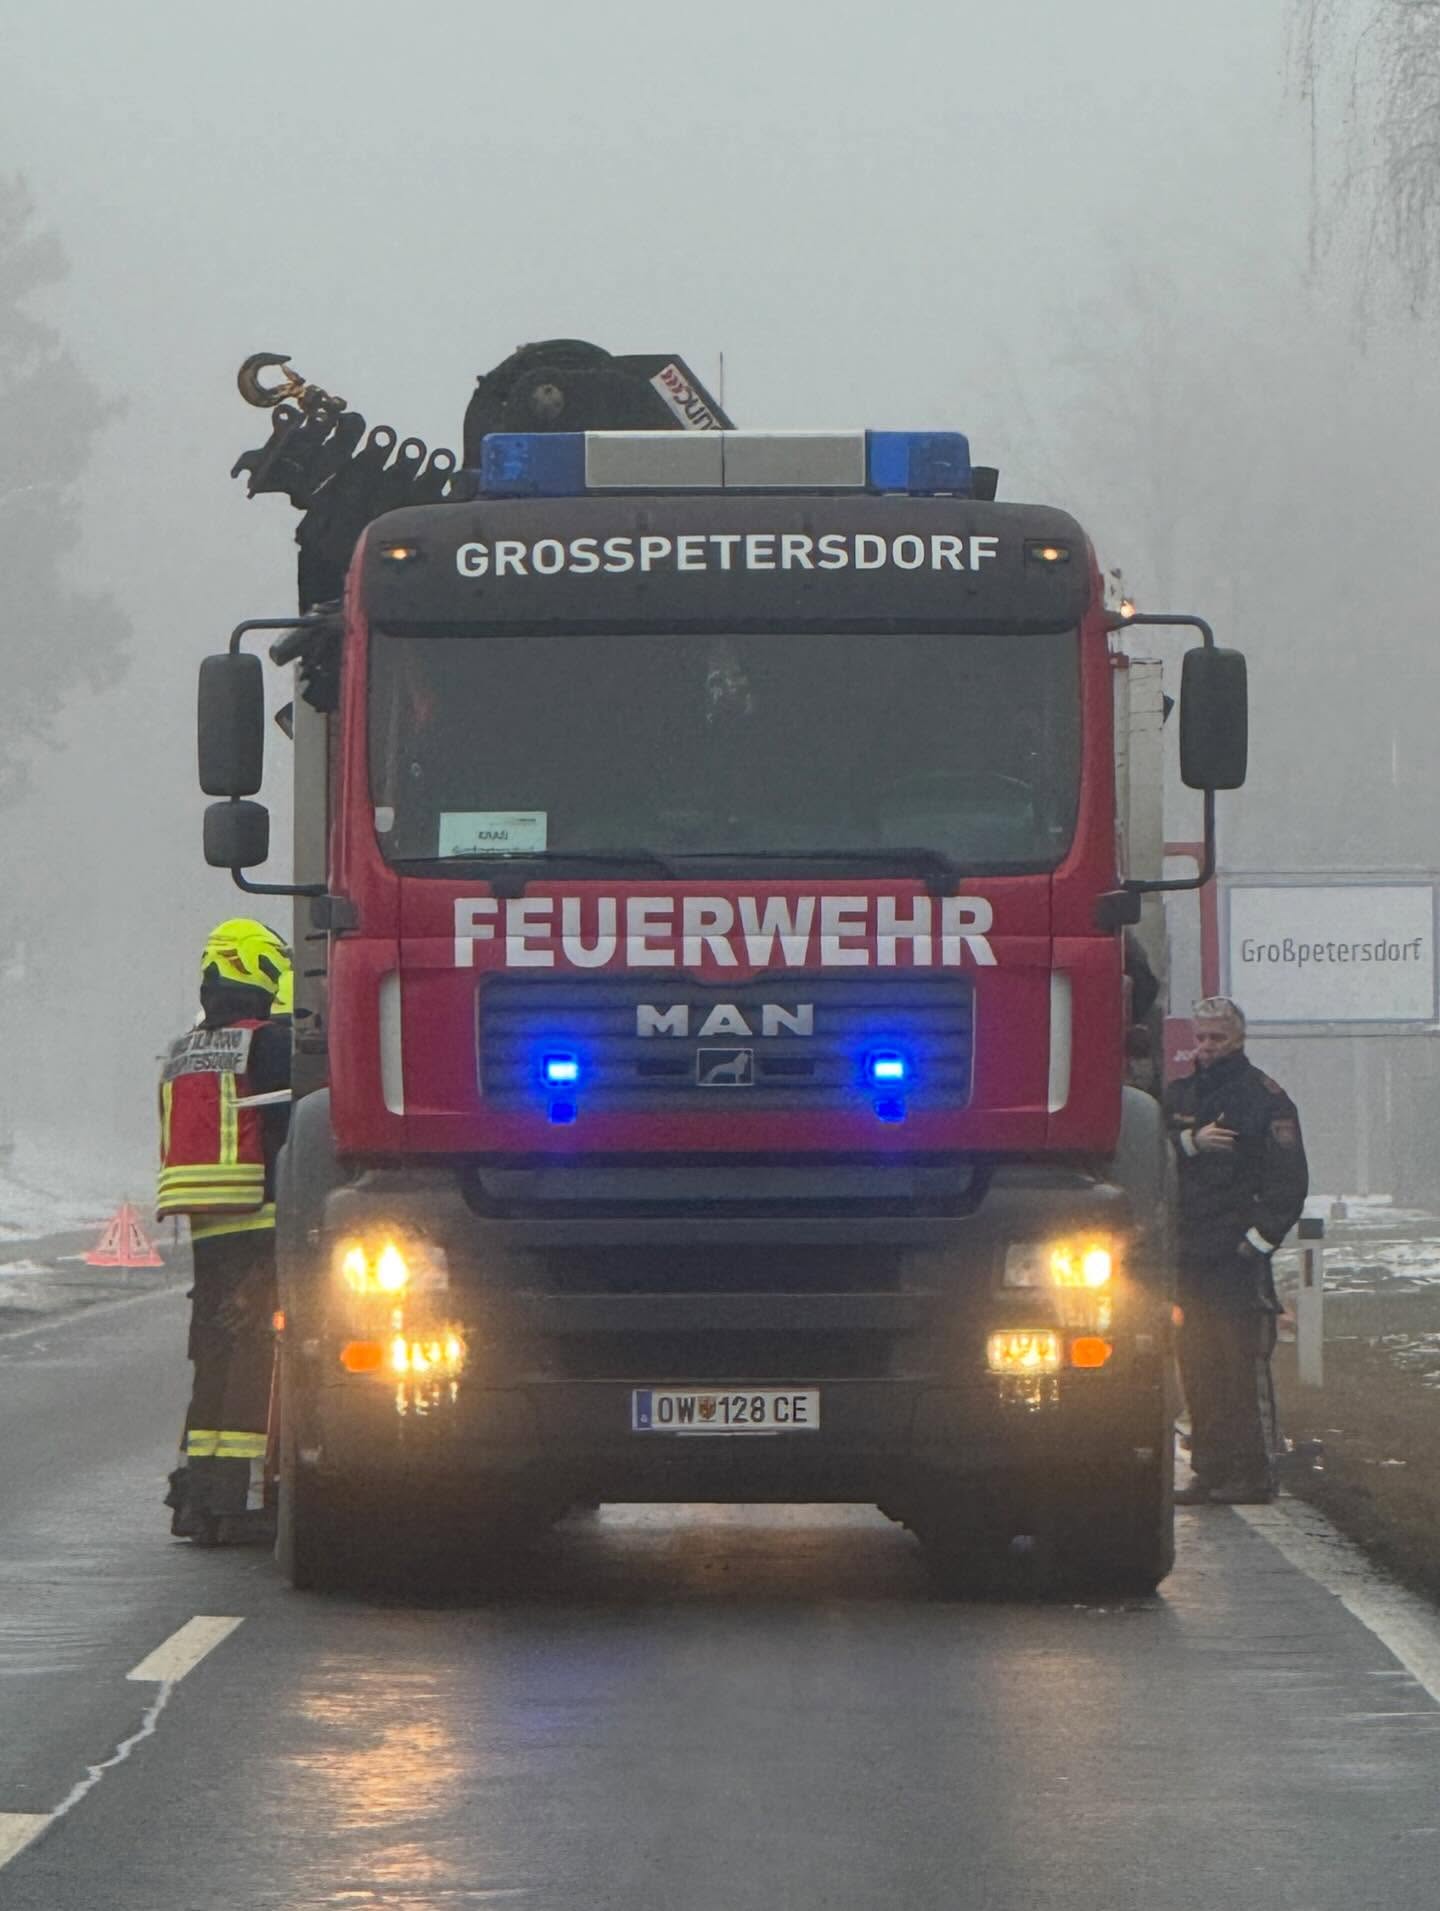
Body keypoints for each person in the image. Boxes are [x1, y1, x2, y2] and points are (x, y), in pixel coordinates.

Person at [158, 918, 292, 1543]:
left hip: (204, 1223)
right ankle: (240, 1500)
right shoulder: (267, 1043)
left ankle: (195, 1498)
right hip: (257, 1214)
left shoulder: (183, 1049)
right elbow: (292, 1129)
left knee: (212, 1351)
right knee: (255, 1351)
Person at [1163, 996, 1308, 1505]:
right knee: (1197, 1366)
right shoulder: (1177, 1096)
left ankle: (1254, 1472)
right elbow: (1147, 1152)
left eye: (1216, 1038)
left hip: (1237, 1261)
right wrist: (1190, 1143)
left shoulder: (1265, 1100)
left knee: (1240, 1366)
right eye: (1200, 1038)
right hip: (1189, 1258)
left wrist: (1256, 1244)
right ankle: (1211, 1468)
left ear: (1239, 1039)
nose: (1205, 1048)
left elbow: (1288, 1184)